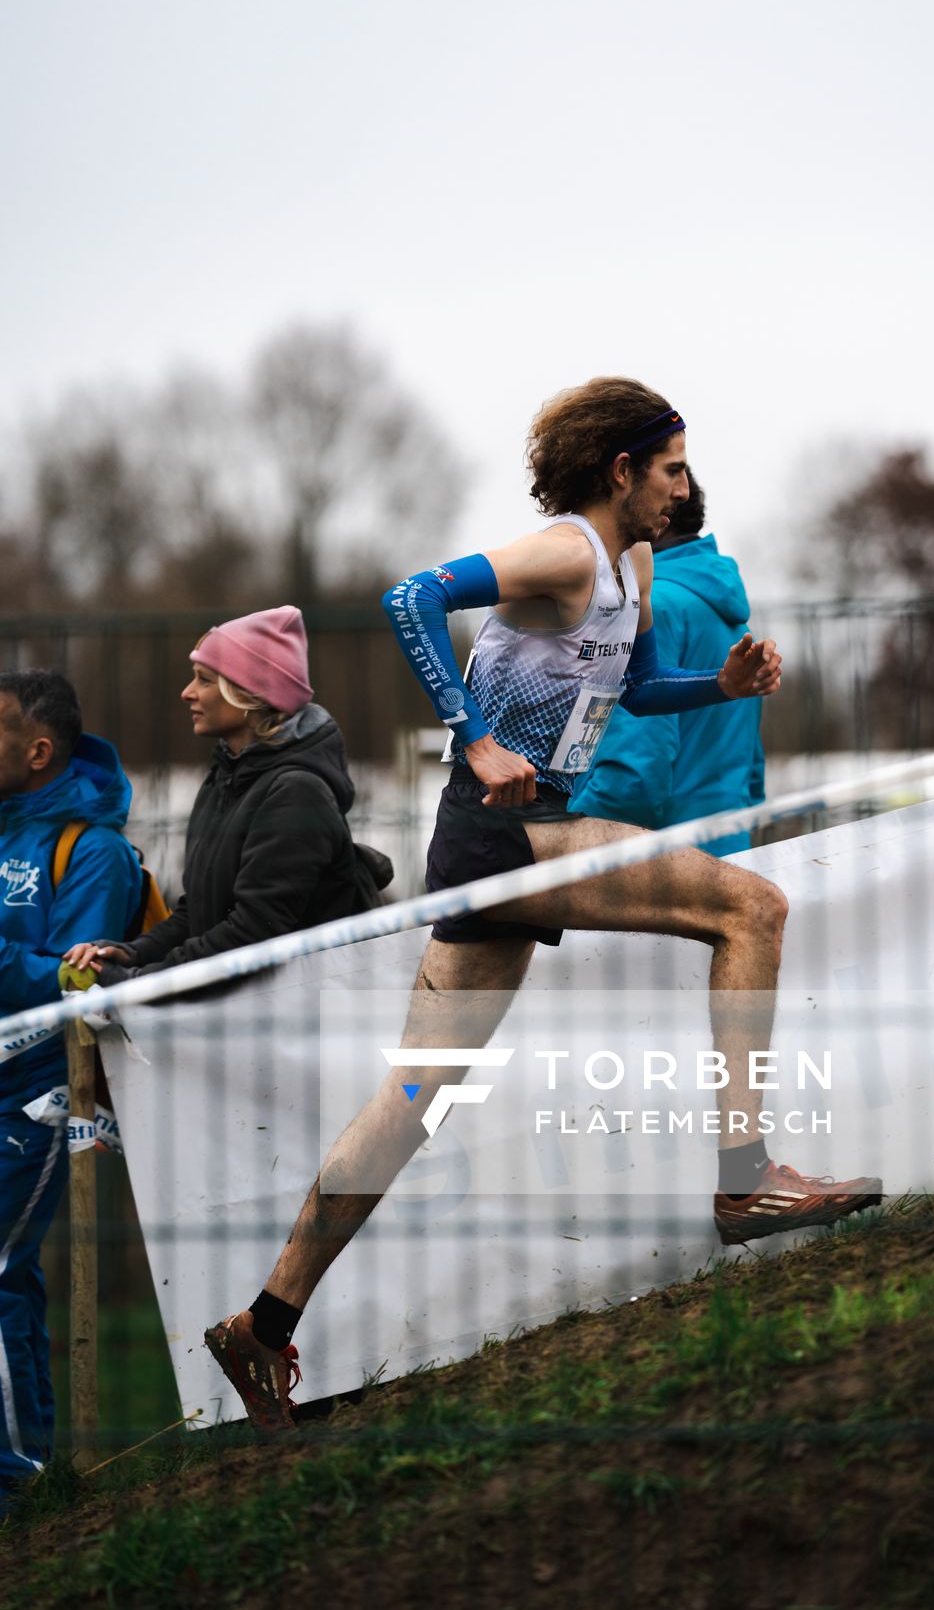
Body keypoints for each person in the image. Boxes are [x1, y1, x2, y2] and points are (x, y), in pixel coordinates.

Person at [204, 377, 882, 1431]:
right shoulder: (566, 551)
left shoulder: (635, 567)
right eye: (669, 468)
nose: (682, 487)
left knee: (414, 1103)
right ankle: (745, 1178)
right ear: (621, 470)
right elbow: (409, 598)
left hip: (508, 836)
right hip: (501, 830)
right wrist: (473, 732)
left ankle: (264, 1322)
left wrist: (724, 688)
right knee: (750, 909)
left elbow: (636, 689)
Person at [62, 606, 378, 984]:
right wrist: (133, 952)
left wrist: (144, 981)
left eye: (204, 679)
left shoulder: (296, 792)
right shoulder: (225, 777)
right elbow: (197, 914)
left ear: (250, 692)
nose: (186, 692)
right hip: (239, 1017)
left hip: (293, 1024)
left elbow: (252, 933)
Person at [0, 671, 141, 1513]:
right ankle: (32, 1468)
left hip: (40, 1099)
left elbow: (72, 983)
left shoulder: (94, 851)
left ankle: (15, 1489)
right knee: (11, 1280)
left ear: (37, 749)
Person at [572, 469, 766, 855]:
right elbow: (752, 770)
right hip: (730, 854)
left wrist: (567, 841)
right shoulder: (730, 617)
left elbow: (634, 777)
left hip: (663, 874)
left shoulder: (650, 608)